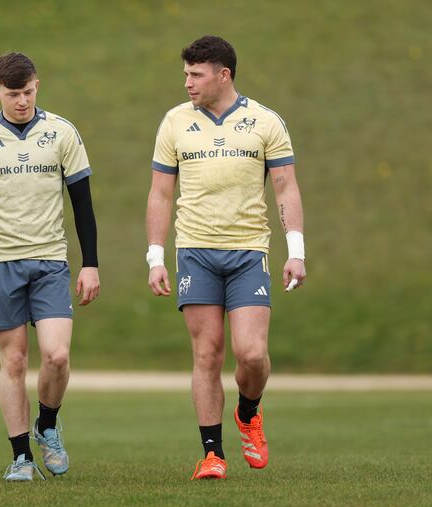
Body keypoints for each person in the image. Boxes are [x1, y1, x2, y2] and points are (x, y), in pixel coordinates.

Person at [145, 35, 306, 480]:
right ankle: (212, 454)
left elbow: (286, 187)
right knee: (207, 353)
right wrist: (156, 256)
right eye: (185, 74)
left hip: (248, 251)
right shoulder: (175, 122)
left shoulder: (265, 121)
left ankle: (249, 412)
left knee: (251, 354)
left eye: (196, 75)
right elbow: (160, 193)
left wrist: (296, 251)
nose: (188, 83)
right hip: (195, 251)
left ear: (223, 75)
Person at [0, 53, 100, 481]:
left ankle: (47, 426)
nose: (22, 101)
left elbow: (83, 205)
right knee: (14, 361)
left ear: (38, 86)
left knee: (56, 355)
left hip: (51, 260)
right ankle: (21, 457)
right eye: (13, 94)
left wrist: (89, 263)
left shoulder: (61, 132)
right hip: (0, 263)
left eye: (29, 92)